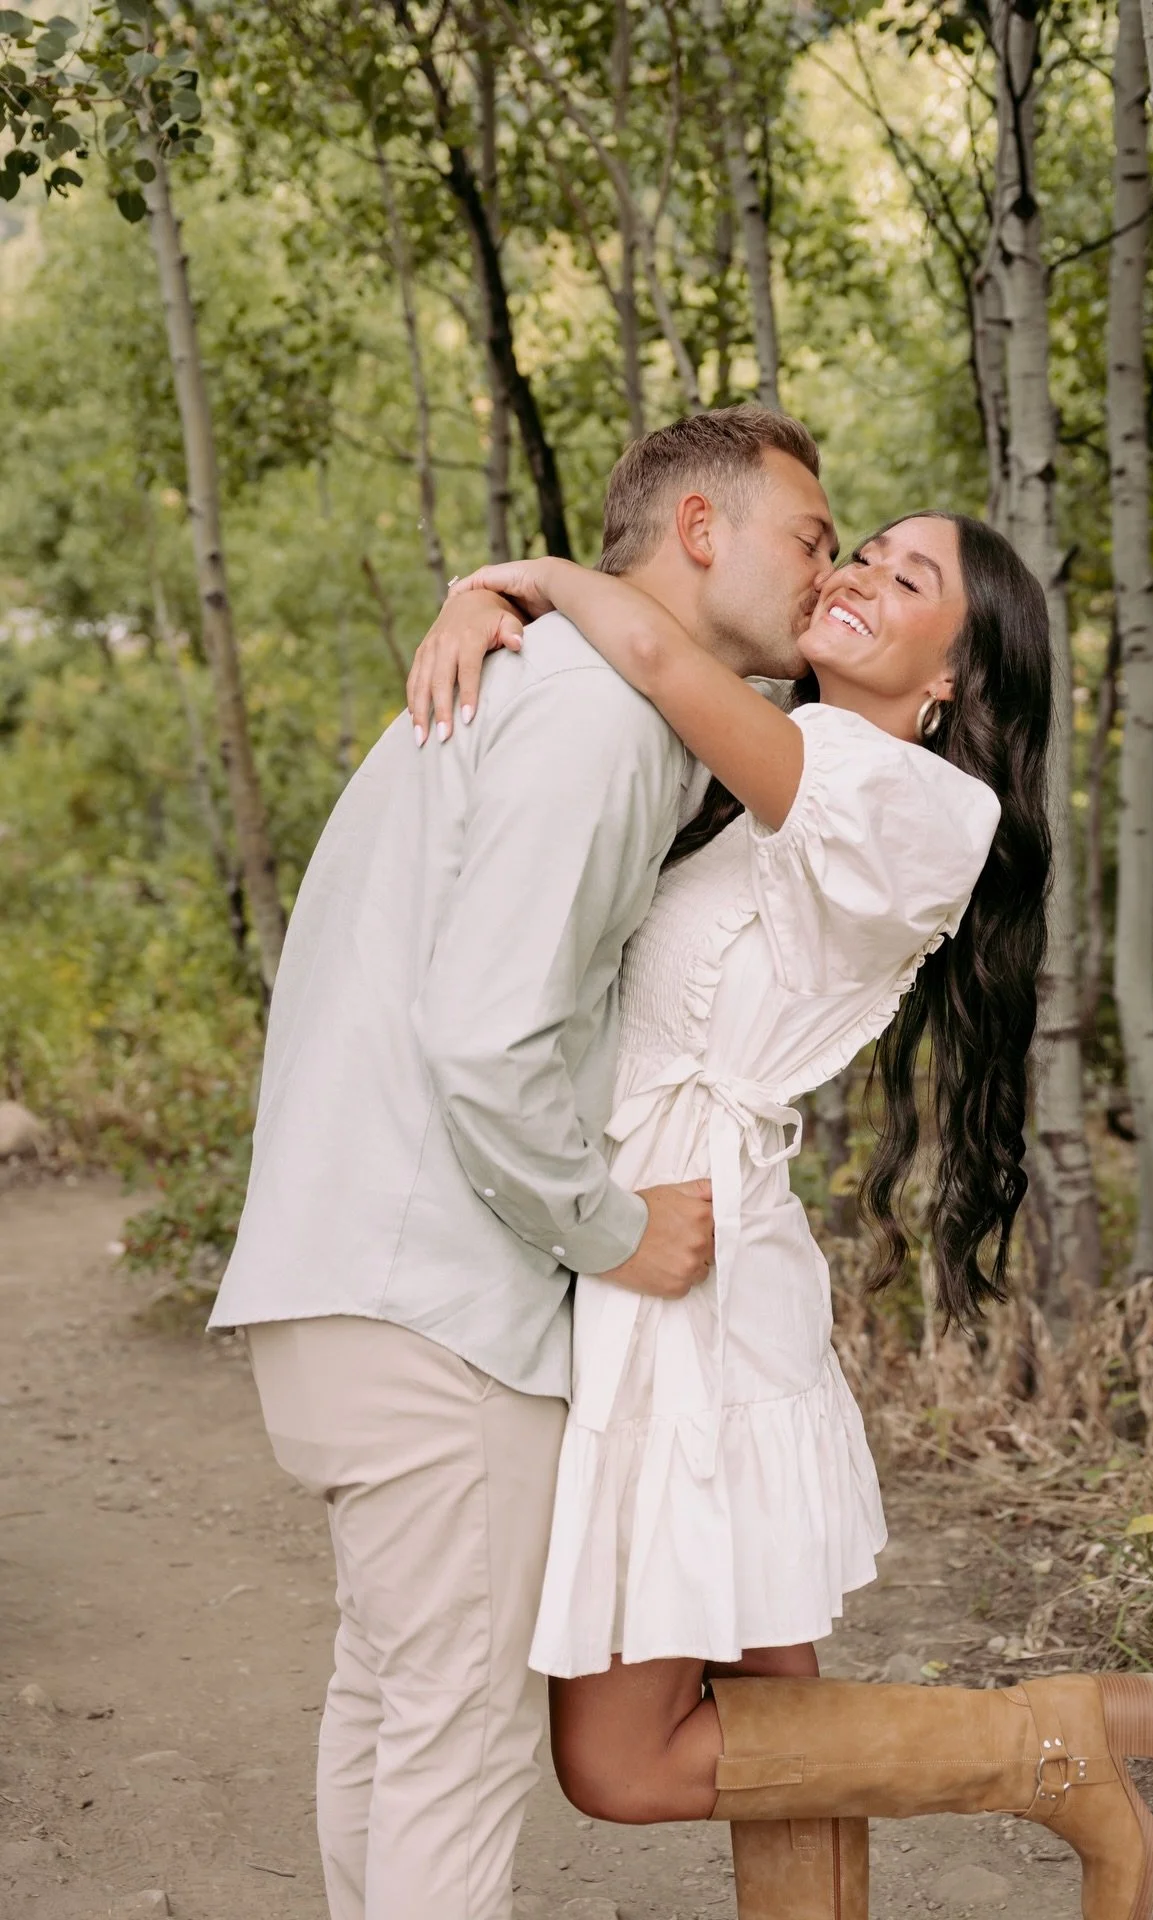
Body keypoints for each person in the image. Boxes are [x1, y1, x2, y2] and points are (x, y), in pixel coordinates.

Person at [417, 515, 1153, 1920]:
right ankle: (1054, 1748)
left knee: (621, 1761)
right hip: (678, 1243)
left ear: (954, 680)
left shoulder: (921, 806)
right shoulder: (785, 754)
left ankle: (1049, 1750)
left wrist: (516, 577)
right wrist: (480, 601)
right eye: (862, 550)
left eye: (908, 577)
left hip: (686, 1277)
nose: (860, 574)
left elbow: (651, 646)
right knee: (777, 1719)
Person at [206, 405, 840, 1920]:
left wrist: (510, 580)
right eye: (812, 538)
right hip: (437, 1306)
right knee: (454, 1745)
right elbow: (490, 1039)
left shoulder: (545, 682)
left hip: (340, 1278)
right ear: (702, 531)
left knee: (393, 1711)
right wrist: (613, 1228)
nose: (828, 573)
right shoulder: (592, 720)